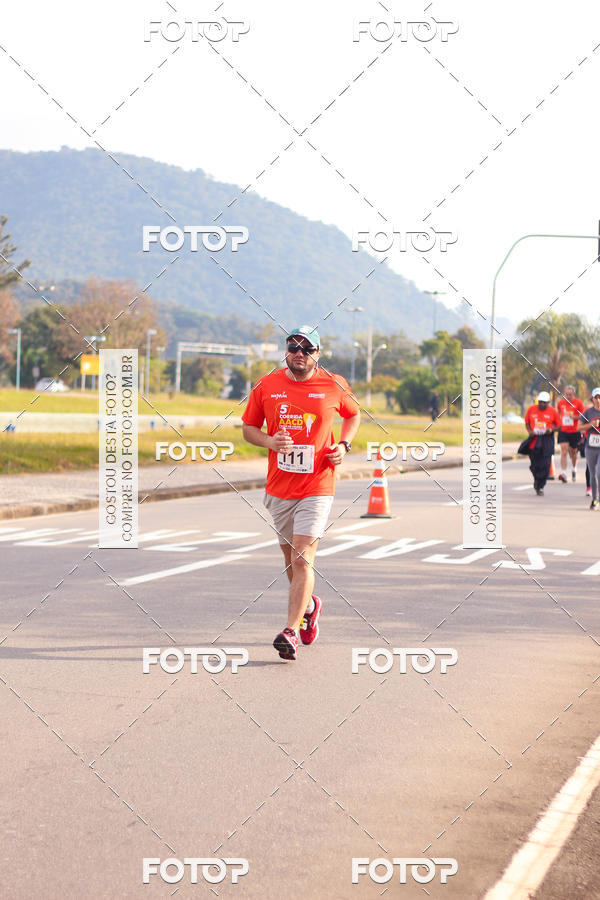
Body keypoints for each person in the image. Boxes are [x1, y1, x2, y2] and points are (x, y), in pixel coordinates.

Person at [241, 326, 361, 661]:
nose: (300, 353)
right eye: (294, 347)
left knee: (302, 557)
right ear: (286, 351)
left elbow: (354, 415)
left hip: (318, 484)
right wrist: (269, 441)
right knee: (289, 562)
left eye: (307, 349)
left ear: (318, 353)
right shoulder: (267, 385)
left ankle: (290, 631)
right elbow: (249, 428)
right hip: (279, 486)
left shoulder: (333, 384)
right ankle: (309, 606)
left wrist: (344, 445)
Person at [524, 391, 560, 495]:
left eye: (544, 402)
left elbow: (559, 426)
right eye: (540, 402)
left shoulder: (552, 411)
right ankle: (536, 480)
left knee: (546, 464)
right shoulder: (531, 409)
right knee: (535, 464)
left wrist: (551, 429)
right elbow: (527, 423)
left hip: (547, 439)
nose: (542, 404)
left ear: (548, 402)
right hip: (534, 439)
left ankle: (541, 486)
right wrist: (530, 431)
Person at [556, 385, 585, 482]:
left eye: (570, 395)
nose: (568, 396)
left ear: (574, 394)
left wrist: (574, 417)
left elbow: (583, 417)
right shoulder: (560, 403)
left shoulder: (578, 403)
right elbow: (559, 414)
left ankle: (574, 469)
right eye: (566, 394)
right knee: (564, 451)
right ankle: (563, 473)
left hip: (575, 431)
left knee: (573, 452)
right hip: (564, 431)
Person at [578, 388, 600, 510]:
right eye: (595, 397)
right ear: (592, 399)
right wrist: (591, 425)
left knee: (599, 473)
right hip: (590, 448)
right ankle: (594, 499)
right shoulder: (587, 413)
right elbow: (578, 428)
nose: (598, 400)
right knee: (592, 475)